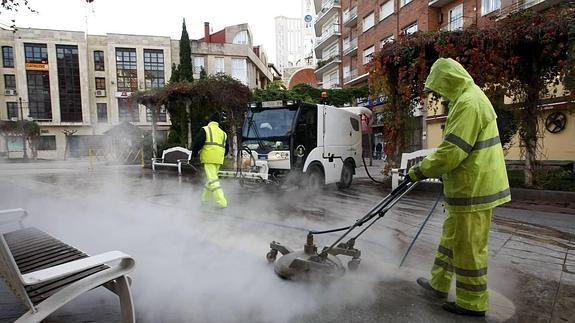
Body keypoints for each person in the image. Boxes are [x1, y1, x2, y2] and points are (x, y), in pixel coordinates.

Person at [407, 58, 511, 317]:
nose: (439, 93)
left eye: (440, 87)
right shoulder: (468, 97)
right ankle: (439, 284)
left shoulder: (468, 103)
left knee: (469, 248)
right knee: (451, 240)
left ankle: (472, 303)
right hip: (466, 186)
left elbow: (453, 151)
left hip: (474, 188)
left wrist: (420, 170)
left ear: (449, 80)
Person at [192, 112, 229, 209]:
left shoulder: (205, 129)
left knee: (213, 180)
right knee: (210, 179)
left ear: (210, 120)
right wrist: (221, 155)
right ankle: (204, 199)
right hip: (219, 159)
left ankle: (222, 202)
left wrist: (194, 153)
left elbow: (198, 143)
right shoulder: (223, 133)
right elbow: (227, 148)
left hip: (209, 158)